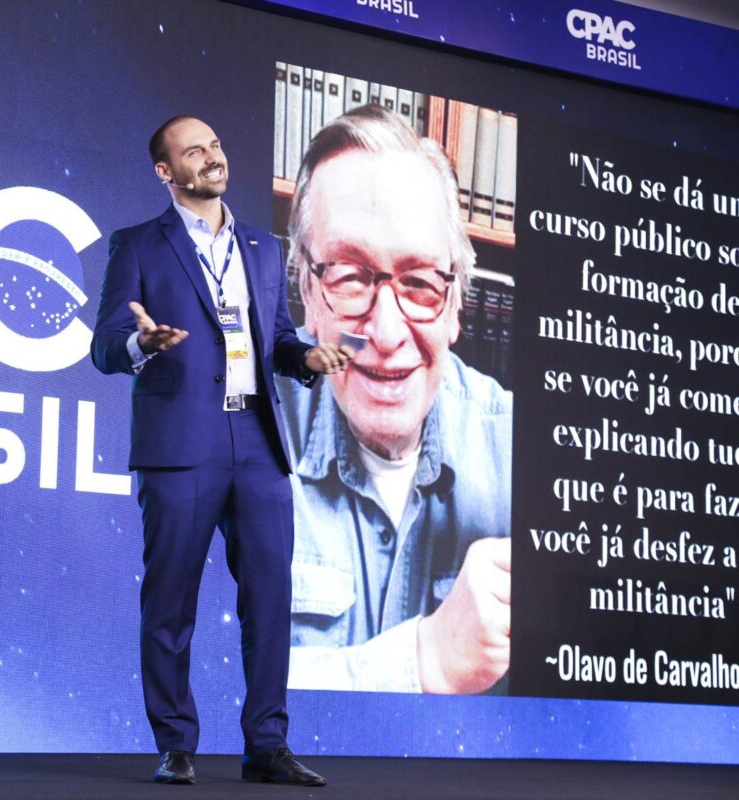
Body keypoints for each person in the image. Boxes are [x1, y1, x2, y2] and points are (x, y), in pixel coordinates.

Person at [91, 115, 349, 785]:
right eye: (193, 150)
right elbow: (104, 346)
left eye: (216, 144)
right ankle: (176, 743)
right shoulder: (139, 246)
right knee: (170, 601)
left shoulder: (265, 249)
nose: (211, 157)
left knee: (270, 599)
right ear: (165, 171)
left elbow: (280, 340)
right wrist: (138, 345)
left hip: (258, 442)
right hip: (180, 444)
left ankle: (267, 743)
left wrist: (308, 358)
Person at [278, 104, 513, 694]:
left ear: (457, 303)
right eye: (350, 278)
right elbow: (194, 688)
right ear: (307, 289)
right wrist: (424, 662)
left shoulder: (522, 453)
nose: (385, 335)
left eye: (419, 283)